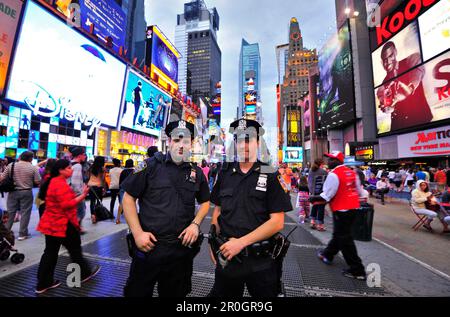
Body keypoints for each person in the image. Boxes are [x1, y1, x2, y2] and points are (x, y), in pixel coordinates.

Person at [122, 120, 210, 297]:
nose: (180, 145)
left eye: (185, 141)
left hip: (180, 250)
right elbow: (128, 198)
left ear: (191, 143)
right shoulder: (149, 166)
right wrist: (138, 233)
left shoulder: (196, 172)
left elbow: (205, 202)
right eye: (176, 140)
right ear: (169, 141)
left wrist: (195, 224)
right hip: (148, 246)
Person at [209, 118, 293, 297]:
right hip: (228, 257)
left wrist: (240, 243)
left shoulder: (270, 174)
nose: (243, 145)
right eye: (238, 139)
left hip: (260, 262)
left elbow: (277, 222)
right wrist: (213, 242)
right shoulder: (225, 173)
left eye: (248, 139)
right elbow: (217, 211)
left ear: (258, 143)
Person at [35, 159, 100, 294]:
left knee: (50, 252)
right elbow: (66, 205)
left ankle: (43, 283)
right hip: (62, 224)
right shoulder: (59, 184)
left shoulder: (52, 181)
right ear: (61, 170)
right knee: (75, 251)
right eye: (69, 168)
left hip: (50, 223)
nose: (71, 170)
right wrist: (83, 195)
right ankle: (83, 275)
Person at [310, 151, 367, 280]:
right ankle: (327, 254)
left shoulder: (333, 175)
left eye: (331, 159)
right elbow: (361, 192)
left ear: (337, 161)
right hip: (353, 208)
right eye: (328, 159)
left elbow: (327, 195)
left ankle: (357, 270)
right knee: (340, 234)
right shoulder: (352, 172)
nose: (328, 162)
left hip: (341, 210)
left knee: (345, 239)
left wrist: (312, 198)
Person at [375, 41, 433, 132]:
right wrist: (389, 108)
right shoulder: (382, 86)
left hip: (422, 124)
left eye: (390, 56)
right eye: (385, 59)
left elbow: (418, 68)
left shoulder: (410, 61)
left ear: (396, 53)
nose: (388, 62)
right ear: (382, 62)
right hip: (399, 130)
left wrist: (410, 88)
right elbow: (384, 101)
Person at [0, 151, 41, 241]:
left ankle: (5, 234)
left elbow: (2, 177)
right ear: (31, 158)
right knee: (25, 213)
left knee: (10, 213)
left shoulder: (11, 165)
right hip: (26, 192)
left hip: (12, 192)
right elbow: (38, 181)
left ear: (21, 157)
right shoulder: (33, 168)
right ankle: (22, 234)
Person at [68, 146, 88, 231]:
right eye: (84, 154)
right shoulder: (78, 166)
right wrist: (81, 194)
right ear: (79, 155)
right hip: (77, 195)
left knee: (75, 214)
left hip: (70, 194)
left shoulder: (70, 164)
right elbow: (75, 183)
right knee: (80, 213)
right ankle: (74, 230)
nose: (85, 156)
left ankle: (76, 229)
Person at [308, 158, 328, 231]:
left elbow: (309, 182)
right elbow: (327, 183)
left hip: (313, 194)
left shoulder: (311, 171)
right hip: (321, 194)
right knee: (321, 209)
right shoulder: (324, 172)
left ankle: (312, 222)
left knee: (315, 206)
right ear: (321, 164)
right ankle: (320, 225)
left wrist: (311, 192)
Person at [88, 156, 106, 224]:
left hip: (91, 186)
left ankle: (93, 215)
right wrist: (104, 188)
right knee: (99, 201)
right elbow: (103, 179)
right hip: (98, 186)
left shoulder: (91, 168)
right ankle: (97, 215)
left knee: (92, 202)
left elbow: (88, 176)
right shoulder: (102, 169)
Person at [116, 159, 134, 225]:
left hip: (123, 188)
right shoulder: (134, 171)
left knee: (121, 204)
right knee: (132, 203)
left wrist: (119, 189)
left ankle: (118, 219)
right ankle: (132, 220)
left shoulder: (123, 171)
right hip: (131, 189)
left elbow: (120, 181)